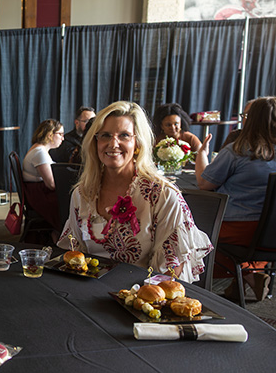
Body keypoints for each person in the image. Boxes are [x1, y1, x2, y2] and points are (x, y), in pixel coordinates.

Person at [57, 101, 212, 283]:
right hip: (89, 291)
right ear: (95, 142)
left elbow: (168, 271)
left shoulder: (162, 196)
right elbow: (74, 253)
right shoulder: (82, 194)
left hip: (139, 298)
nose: (113, 144)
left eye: (124, 135)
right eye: (105, 135)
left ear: (137, 143)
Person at [195, 96, 276, 301]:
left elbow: (205, 184)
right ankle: (249, 276)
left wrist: (202, 155)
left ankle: (196, 290)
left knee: (194, 232)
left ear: (252, 120)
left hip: (240, 231)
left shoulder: (238, 151)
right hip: (271, 235)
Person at [22, 119, 64, 234]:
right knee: (68, 202)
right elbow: (51, 185)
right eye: (60, 134)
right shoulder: (40, 152)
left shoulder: (39, 149)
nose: (62, 138)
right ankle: (59, 234)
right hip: (38, 195)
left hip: (36, 191)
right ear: (50, 135)